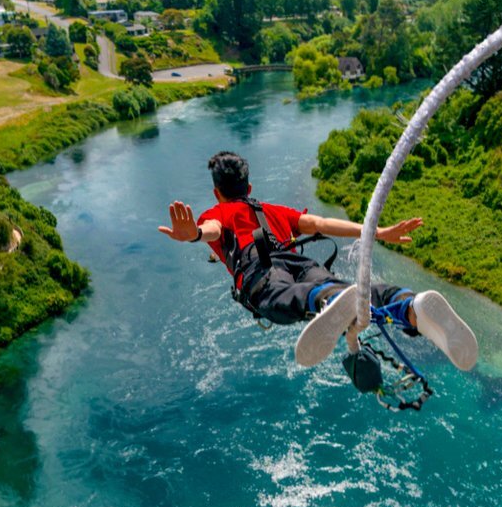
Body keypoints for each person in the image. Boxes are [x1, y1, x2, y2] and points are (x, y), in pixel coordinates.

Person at [159, 151, 477, 371]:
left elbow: (211, 230)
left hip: (261, 271)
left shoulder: (218, 213)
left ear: (217, 194)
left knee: (281, 301)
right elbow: (322, 224)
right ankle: (408, 305)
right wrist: (377, 232)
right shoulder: (273, 210)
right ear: (250, 188)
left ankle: (331, 300)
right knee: (353, 292)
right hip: (303, 263)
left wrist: (193, 234)